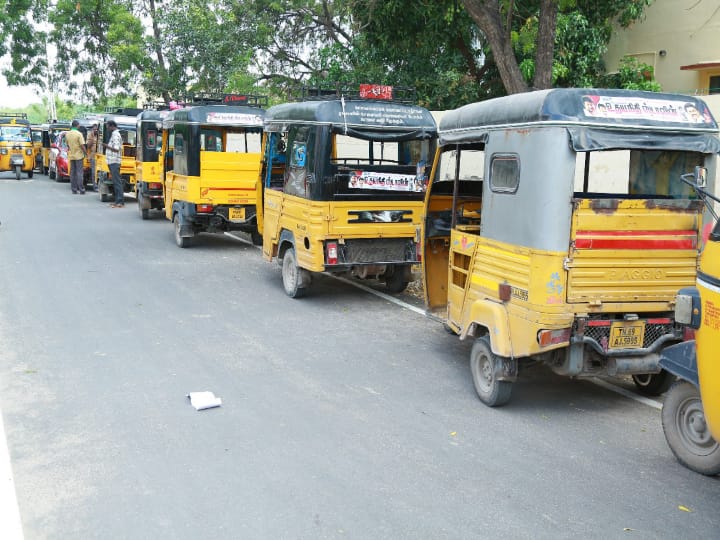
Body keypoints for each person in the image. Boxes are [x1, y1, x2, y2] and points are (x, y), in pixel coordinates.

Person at [103, 120, 124, 207]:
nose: (107, 129)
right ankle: (117, 201)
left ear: (112, 126)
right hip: (113, 161)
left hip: (114, 161)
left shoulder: (115, 134)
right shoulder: (115, 134)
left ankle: (120, 202)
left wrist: (106, 146)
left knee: (117, 182)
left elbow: (116, 148)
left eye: (108, 127)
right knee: (115, 182)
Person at [65, 120, 87, 194]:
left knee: (72, 173)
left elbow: (67, 145)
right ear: (77, 125)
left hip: (71, 155)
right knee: (79, 173)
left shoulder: (67, 134)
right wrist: (85, 152)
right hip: (79, 155)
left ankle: (74, 189)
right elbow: (82, 145)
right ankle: (81, 189)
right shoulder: (79, 134)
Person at [85, 123, 99, 190]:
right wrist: (92, 138)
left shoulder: (100, 136)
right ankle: (95, 186)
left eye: (97, 129)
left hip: (100, 157)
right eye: (94, 129)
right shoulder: (89, 135)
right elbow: (88, 146)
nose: (96, 131)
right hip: (93, 156)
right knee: (94, 171)